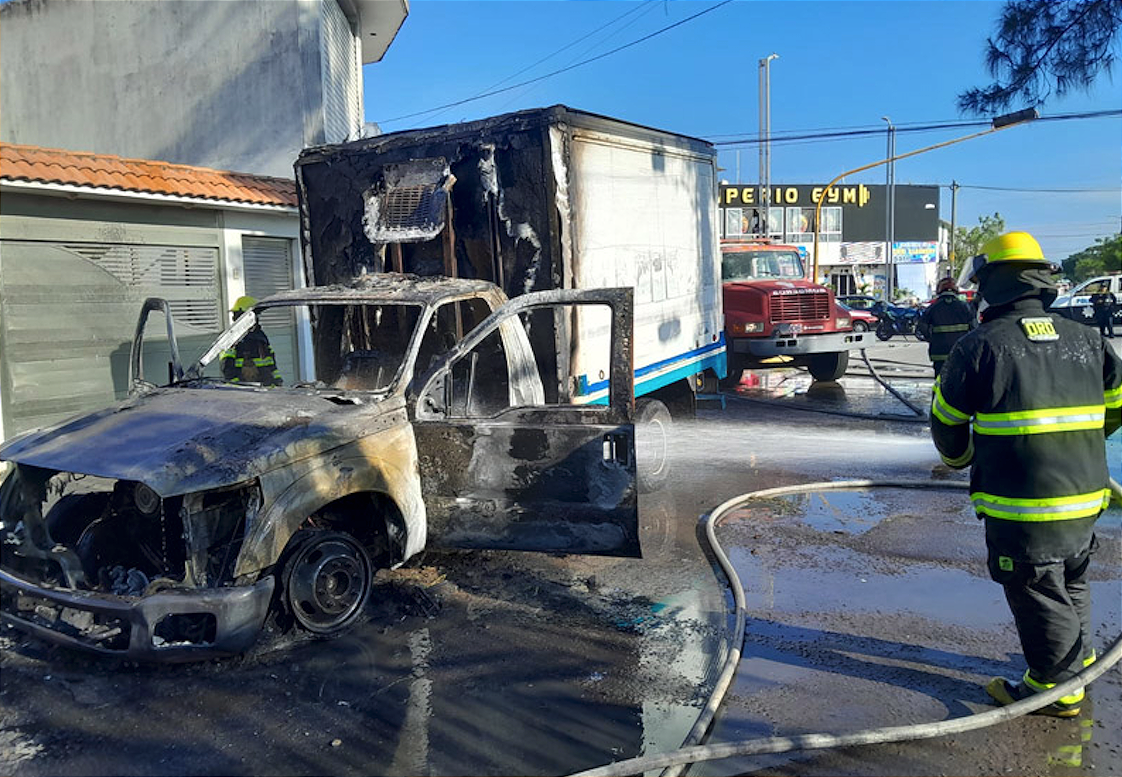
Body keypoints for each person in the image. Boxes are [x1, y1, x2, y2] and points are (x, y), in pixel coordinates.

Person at [930, 231, 1122, 718]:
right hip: (1086, 494)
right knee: (1072, 575)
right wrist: (1080, 444)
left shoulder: (980, 348)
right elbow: (1117, 407)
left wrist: (959, 461)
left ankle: (1053, 688)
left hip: (1023, 504)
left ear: (992, 285)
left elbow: (948, 425)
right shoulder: (1088, 340)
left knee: (1037, 585)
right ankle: (1076, 661)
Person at [918, 277, 975, 376]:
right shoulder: (965, 307)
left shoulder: (932, 308)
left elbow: (922, 327)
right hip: (960, 353)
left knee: (940, 384)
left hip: (939, 354)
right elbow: (974, 328)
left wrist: (932, 339)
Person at [221, 295, 283, 386]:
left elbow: (270, 360)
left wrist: (277, 380)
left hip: (265, 388)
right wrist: (236, 386)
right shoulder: (232, 338)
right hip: (244, 391)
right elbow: (227, 366)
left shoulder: (260, 336)